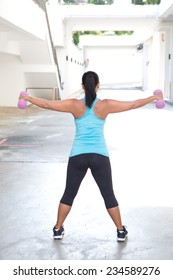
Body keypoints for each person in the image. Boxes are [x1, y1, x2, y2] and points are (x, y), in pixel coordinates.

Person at [19, 71, 163, 242]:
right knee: (108, 195)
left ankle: (58, 229)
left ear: (82, 86)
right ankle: (120, 231)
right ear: (98, 85)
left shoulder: (73, 105)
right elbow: (133, 104)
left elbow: (47, 104)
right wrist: (153, 98)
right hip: (99, 156)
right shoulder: (106, 105)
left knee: (69, 194)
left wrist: (28, 99)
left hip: (77, 155)